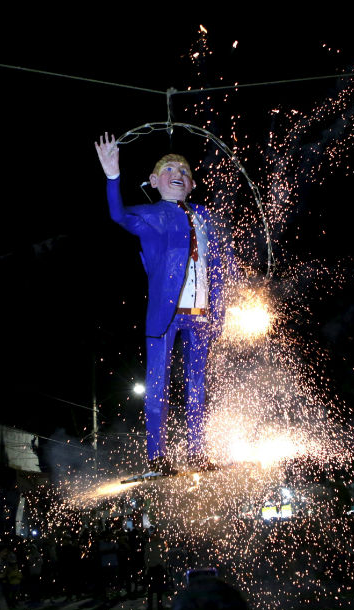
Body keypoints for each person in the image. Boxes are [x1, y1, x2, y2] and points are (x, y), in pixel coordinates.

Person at [95, 133, 230, 473]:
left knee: (198, 386)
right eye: (168, 169)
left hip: (201, 315)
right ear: (154, 181)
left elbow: (223, 264)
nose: (177, 174)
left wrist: (223, 308)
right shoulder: (154, 214)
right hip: (164, 316)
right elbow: (119, 216)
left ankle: (198, 452)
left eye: (183, 170)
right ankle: (158, 455)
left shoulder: (206, 217)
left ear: (193, 182)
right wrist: (113, 177)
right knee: (158, 385)